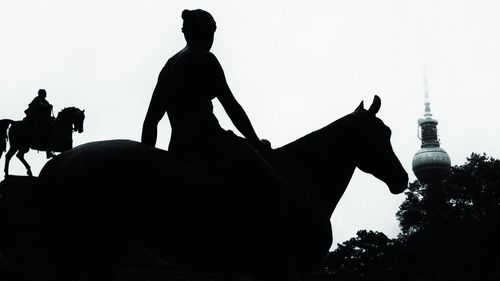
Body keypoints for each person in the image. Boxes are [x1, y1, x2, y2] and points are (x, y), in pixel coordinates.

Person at [141, 9, 299, 280]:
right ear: (206, 33)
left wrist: (152, 161)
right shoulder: (205, 59)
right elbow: (232, 107)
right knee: (273, 186)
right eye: (212, 33)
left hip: (178, 149)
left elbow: (151, 122)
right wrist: (255, 143)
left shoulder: (168, 66)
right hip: (211, 143)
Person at [24, 89, 54, 158]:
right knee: (48, 129)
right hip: (36, 119)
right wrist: (48, 106)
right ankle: (48, 152)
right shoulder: (37, 99)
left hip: (43, 119)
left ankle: (49, 149)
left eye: (45, 93)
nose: (45, 94)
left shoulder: (45, 101)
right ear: (40, 93)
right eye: (44, 93)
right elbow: (39, 106)